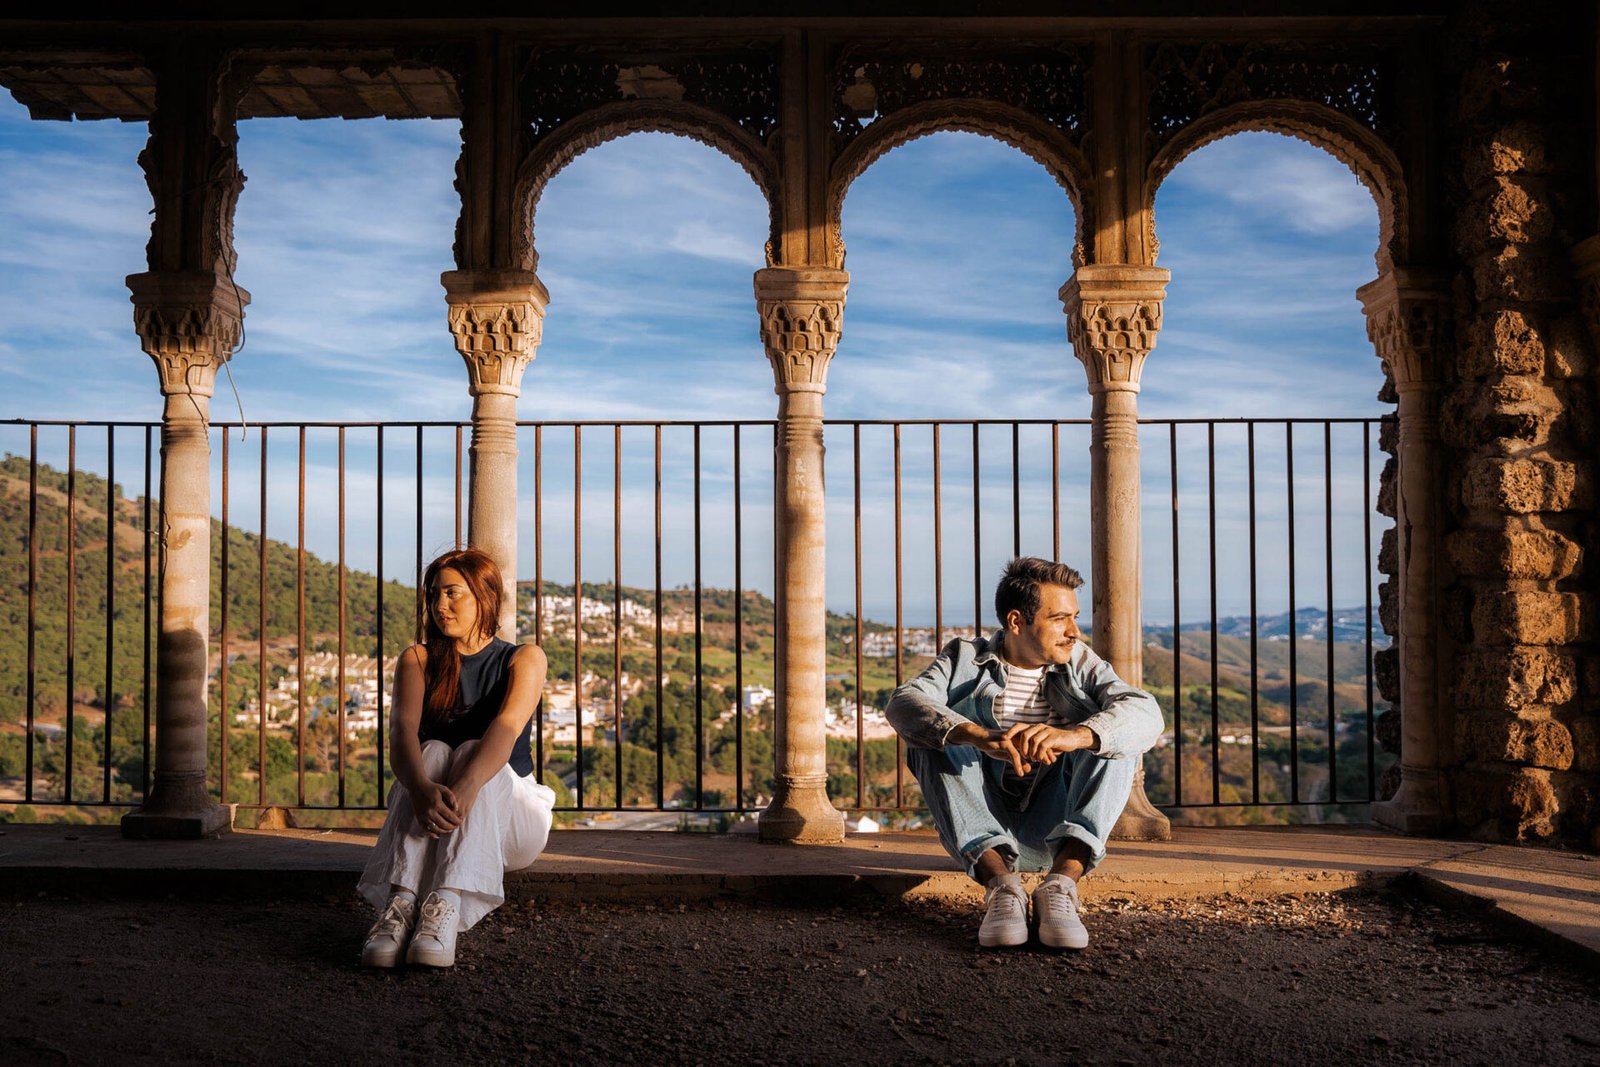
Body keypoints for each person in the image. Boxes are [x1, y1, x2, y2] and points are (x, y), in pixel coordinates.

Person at [886, 556, 1162, 950]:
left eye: (1075, 618)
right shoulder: (964, 657)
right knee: (933, 737)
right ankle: (1002, 890)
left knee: (1115, 740)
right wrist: (978, 736)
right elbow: (903, 703)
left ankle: (1060, 888)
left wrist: (1075, 736)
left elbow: (1147, 713)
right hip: (983, 832)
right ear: (1016, 621)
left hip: (1055, 834)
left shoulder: (1081, 662)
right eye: (1059, 619)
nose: (1074, 632)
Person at [357, 547, 556, 968]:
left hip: (509, 822)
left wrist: (466, 788)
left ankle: (443, 907)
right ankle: (400, 907)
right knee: (431, 752)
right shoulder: (418, 659)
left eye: (452, 593)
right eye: (434, 594)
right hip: (437, 814)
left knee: (470, 750)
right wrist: (420, 789)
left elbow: (506, 729)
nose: (439, 605)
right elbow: (400, 733)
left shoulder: (524, 658)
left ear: (485, 596)